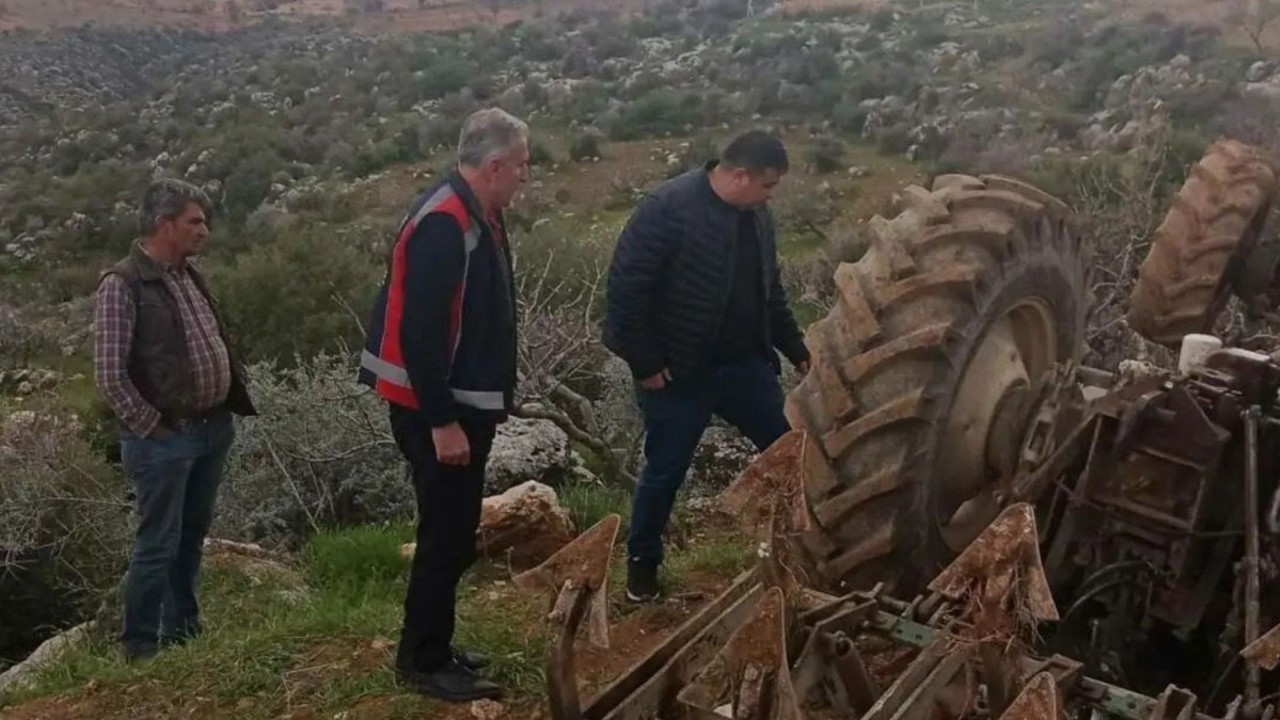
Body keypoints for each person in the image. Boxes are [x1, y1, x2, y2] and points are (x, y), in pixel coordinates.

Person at [358, 107, 527, 703]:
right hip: (435, 409)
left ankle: (435, 643)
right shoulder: (445, 222)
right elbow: (420, 332)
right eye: (521, 167)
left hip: (457, 404)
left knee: (454, 532)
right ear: (495, 165)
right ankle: (423, 661)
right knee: (444, 535)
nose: (524, 179)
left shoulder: (479, 212)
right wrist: (442, 422)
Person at [603, 129, 811, 603]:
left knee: (788, 455)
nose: (770, 195)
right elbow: (625, 292)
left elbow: (769, 291)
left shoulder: (757, 217)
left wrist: (795, 348)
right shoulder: (667, 209)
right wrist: (646, 363)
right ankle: (643, 570)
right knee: (665, 471)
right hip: (679, 376)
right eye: (767, 185)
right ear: (739, 175)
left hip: (745, 368)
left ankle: (802, 551)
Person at [93, 178, 257, 663]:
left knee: (189, 538)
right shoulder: (122, 285)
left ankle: (182, 633)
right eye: (194, 221)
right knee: (157, 544)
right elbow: (109, 375)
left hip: (210, 430)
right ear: (165, 226)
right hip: (166, 440)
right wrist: (153, 428)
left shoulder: (189, 275)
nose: (204, 230)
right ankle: (141, 646)